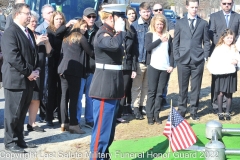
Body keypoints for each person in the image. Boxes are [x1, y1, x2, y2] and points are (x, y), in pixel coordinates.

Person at [88, 4, 127, 159]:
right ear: (111, 17)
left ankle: (104, 155)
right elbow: (113, 45)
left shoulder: (111, 33)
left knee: (109, 128)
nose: (123, 21)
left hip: (113, 85)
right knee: (101, 131)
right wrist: (121, 31)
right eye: (120, 18)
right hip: (104, 87)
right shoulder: (103, 33)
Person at [2, 3, 39, 153]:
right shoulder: (10, 32)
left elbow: (33, 53)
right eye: (27, 13)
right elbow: (13, 57)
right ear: (17, 14)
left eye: (30, 13)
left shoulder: (27, 31)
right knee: (13, 114)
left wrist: (36, 70)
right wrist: (28, 72)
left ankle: (20, 140)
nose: (29, 16)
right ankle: (10, 142)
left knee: (22, 112)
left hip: (28, 79)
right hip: (16, 80)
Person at [173, 0, 210, 120]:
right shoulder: (180, 22)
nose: (194, 9)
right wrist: (177, 56)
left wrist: (205, 56)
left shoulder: (203, 23)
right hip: (183, 60)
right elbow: (176, 42)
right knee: (183, 87)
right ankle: (182, 111)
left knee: (196, 87)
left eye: (196, 7)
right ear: (187, 7)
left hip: (197, 60)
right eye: (192, 7)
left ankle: (194, 111)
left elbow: (206, 41)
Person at [58, 19, 94, 134]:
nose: (86, 29)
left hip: (63, 69)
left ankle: (64, 123)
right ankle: (74, 124)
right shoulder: (81, 37)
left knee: (64, 97)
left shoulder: (67, 36)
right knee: (73, 99)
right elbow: (91, 53)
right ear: (78, 26)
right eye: (84, 27)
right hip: (74, 71)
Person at [209, 0, 240, 113]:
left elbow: (239, 33)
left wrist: (232, 45)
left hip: (232, 51)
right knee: (217, 81)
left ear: (232, 4)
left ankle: (227, 107)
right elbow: (211, 33)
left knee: (229, 82)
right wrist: (221, 44)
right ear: (220, 4)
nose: (227, 5)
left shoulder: (237, 17)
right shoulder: (214, 16)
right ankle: (216, 105)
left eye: (229, 3)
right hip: (219, 52)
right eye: (224, 3)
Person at [145, 14, 174, 125]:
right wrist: (160, 40)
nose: (160, 26)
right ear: (154, 24)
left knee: (160, 93)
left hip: (165, 67)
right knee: (152, 92)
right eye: (157, 24)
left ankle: (157, 115)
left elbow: (171, 52)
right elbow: (148, 47)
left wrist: (171, 64)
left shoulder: (168, 35)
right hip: (153, 66)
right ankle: (149, 115)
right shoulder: (150, 35)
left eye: (161, 24)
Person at [26, 10, 52, 132]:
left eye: (36, 21)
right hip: (27, 72)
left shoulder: (39, 33)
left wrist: (46, 42)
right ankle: (18, 126)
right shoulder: (25, 36)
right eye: (32, 21)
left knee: (36, 98)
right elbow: (26, 53)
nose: (34, 23)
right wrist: (35, 43)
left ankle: (32, 123)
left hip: (39, 71)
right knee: (25, 99)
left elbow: (49, 53)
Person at [207, 29, 239, 121]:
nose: (230, 40)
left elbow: (238, 58)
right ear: (223, 38)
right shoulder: (219, 48)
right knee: (220, 93)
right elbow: (214, 60)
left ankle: (228, 112)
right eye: (228, 38)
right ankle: (220, 112)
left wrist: (236, 61)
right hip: (221, 74)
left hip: (231, 74)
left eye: (231, 38)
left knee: (229, 93)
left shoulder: (234, 48)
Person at [77, 7, 98, 129]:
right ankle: (76, 120)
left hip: (92, 68)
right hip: (79, 69)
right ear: (84, 17)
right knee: (78, 97)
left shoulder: (98, 31)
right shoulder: (78, 31)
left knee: (90, 97)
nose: (91, 19)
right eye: (89, 16)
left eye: (93, 16)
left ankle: (89, 119)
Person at [131, 2, 151, 120]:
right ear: (140, 12)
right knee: (137, 86)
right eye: (144, 12)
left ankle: (143, 105)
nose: (146, 14)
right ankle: (135, 107)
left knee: (146, 86)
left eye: (148, 11)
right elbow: (133, 46)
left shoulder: (152, 24)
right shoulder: (134, 26)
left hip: (150, 60)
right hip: (139, 60)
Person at [152, 3, 175, 108]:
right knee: (152, 84)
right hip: (152, 59)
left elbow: (173, 34)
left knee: (163, 83)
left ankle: (162, 100)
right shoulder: (150, 23)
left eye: (160, 10)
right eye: (156, 10)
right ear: (153, 11)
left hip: (165, 58)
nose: (158, 12)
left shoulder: (169, 22)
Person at [35, 4, 54, 123]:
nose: (52, 14)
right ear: (43, 15)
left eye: (53, 12)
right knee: (44, 87)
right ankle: (43, 113)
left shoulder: (58, 26)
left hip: (55, 61)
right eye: (49, 13)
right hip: (44, 62)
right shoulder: (39, 29)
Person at [116, 13, 136, 123]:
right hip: (115, 65)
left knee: (123, 91)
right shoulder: (112, 33)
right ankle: (113, 113)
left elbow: (133, 53)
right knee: (114, 90)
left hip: (127, 65)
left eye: (123, 19)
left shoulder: (130, 33)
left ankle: (119, 113)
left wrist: (133, 68)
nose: (121, 21)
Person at [121, 6, 137, 115]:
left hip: (129, 62)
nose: (132, 15)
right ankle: (120, 110)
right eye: (129, 13)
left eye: (133, 13)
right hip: (119, 63)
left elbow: (134, 50)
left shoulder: (133, 30)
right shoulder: (120, 30)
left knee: (128, 87)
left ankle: (127, 107)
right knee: (121, 88)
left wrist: (134, 68)